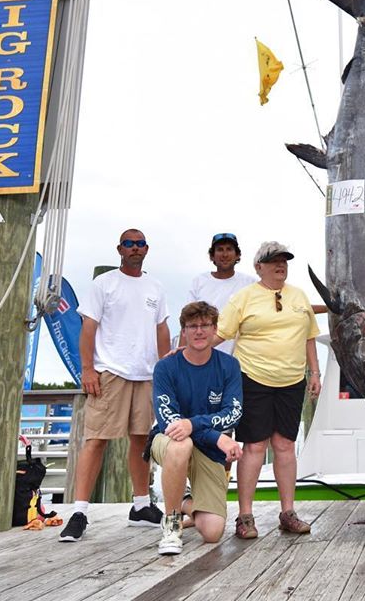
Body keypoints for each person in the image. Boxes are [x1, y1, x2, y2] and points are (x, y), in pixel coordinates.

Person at [60, 229, 171, 542]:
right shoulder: (104, 283)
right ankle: (79, 511)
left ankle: (141, 506)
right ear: (119, 249)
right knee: (97, 439)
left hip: (146, 374)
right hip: (110, 371)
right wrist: (87, 369)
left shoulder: (156, 286)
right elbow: (88, 328)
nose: (135, 248)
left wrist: (165, 369)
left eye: (140, 244)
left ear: (147, 249)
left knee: (141, 441)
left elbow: (162, 329)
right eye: (129, 243)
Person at [217, 241, 320, 538]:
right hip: (253, 379)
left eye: (284, 261)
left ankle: (288, 512)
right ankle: (245, 516)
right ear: (258, 266)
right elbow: (221, 334)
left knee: (286, 446)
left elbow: (310, 336)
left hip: (291, 381)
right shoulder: (243, 298)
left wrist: (315, 372)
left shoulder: (299, 296)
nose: (280, 265)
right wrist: (185, 353)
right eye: (273, 261)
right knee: (255, 447)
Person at [150, 301, 243, 555]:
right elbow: (169, 419)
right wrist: (217, 437)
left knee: (212, 532)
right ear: (184, 331)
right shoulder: (166, 367)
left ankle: (183, 501)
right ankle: (171, 524)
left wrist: (196, 425)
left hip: (209, 447)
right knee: (182, 444)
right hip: (168, 440)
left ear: (214, 329)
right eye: (192, 326)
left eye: (205, 325)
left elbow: (233, 413)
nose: (199, 331)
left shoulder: (229, 366)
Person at [187, 232, 257, 355]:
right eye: (220, 250)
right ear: (212, 256)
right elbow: (188, 321)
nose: (225, 254)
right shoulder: (199, 281)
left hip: (240, 361)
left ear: (237, 255)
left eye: (229, 249)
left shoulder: (250, 283)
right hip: (203, 356)